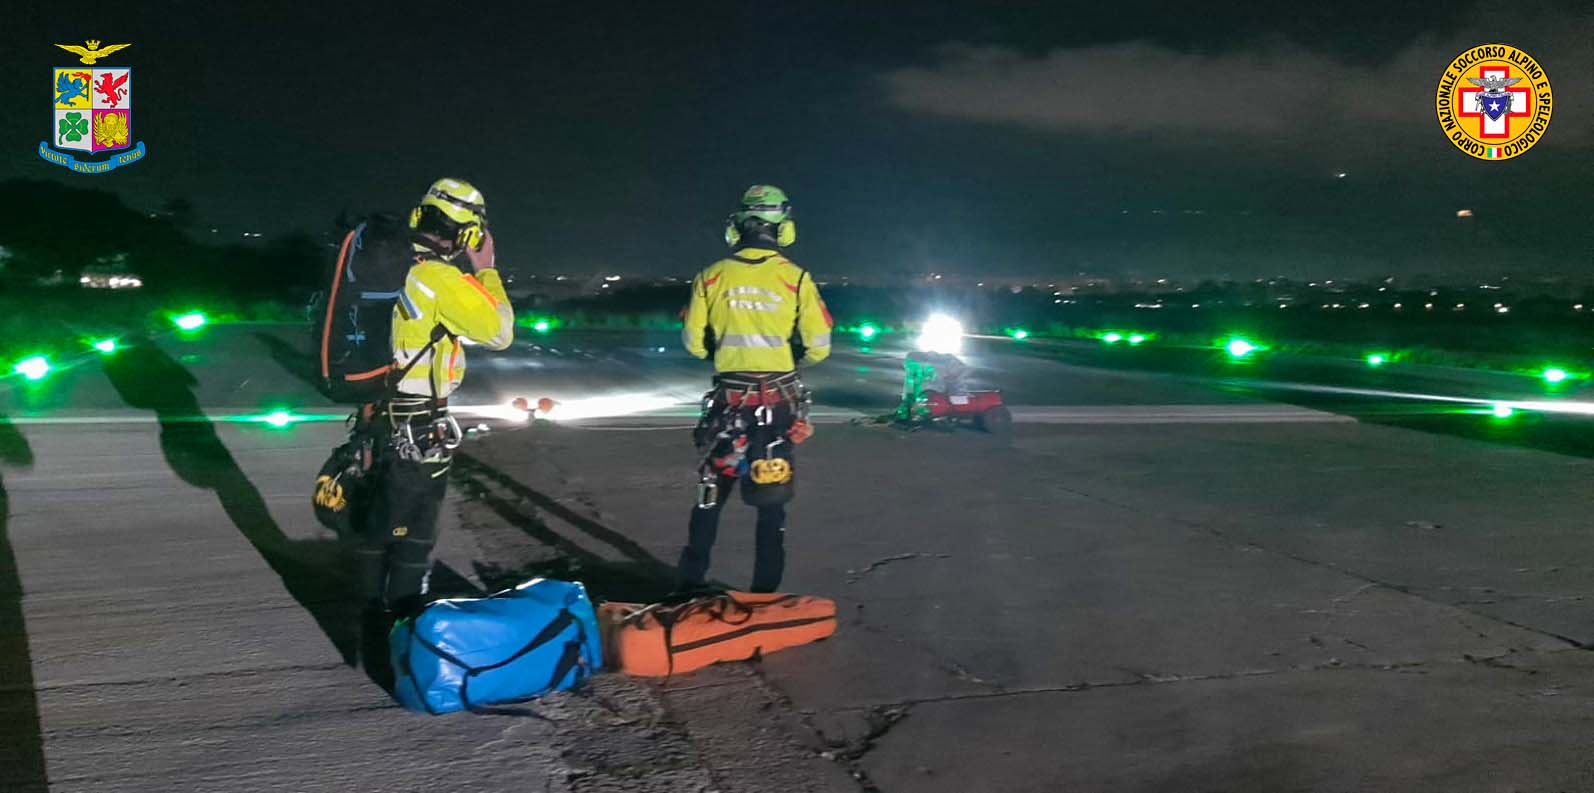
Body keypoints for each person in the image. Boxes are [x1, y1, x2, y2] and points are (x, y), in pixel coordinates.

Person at [356, 177, 514, 618]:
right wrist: (486, 269)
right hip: (420, 421)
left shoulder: (385, 264)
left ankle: (367, 613)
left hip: (378, 413)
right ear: (465, 234)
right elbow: (499, 333)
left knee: (379, 523)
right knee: (414, 532)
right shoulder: (439, 277)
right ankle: (399, 624)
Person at [678, 185, 833, 594]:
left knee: (710, 495)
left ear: (736, 227)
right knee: (772, 504)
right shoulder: (796, 279)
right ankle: (765, 594)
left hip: (729, 408)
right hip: (777, 408)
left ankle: (688, 586)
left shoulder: (710, 276)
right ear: (783, 229)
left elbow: (694, 345)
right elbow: (819, 346)